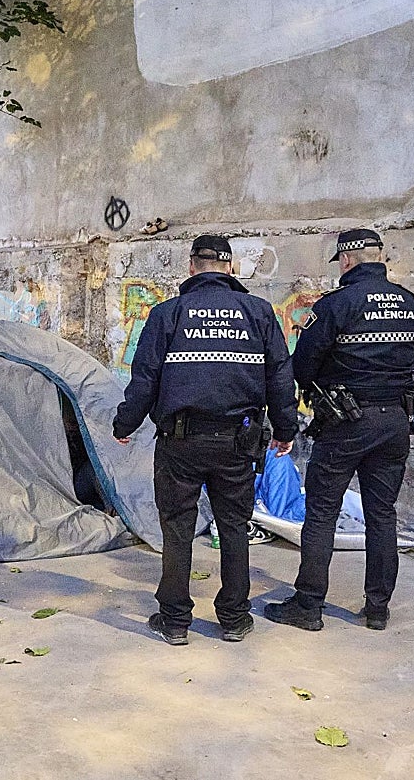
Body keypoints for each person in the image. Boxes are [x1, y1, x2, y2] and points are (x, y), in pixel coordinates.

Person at [113, 235, 298, 644]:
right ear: (230, 268)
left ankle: (175, 621)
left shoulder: (167, 314)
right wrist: (286, 431)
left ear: (192, 266)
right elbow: (280, 378)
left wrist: (124, 425)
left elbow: (144, 380)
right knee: (234, 526)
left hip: (180, 442)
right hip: (238, 441)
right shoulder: (259, 313)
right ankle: (233, 618)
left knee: (177, 528)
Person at [264, 229, 414, 632]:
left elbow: (302, 365)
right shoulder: (409, 304)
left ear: (349, 260)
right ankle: (377, 609)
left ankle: (308, 606)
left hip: (345, 423)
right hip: (394, 422)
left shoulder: (336, 305)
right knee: (381, 515)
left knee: (321, 514)